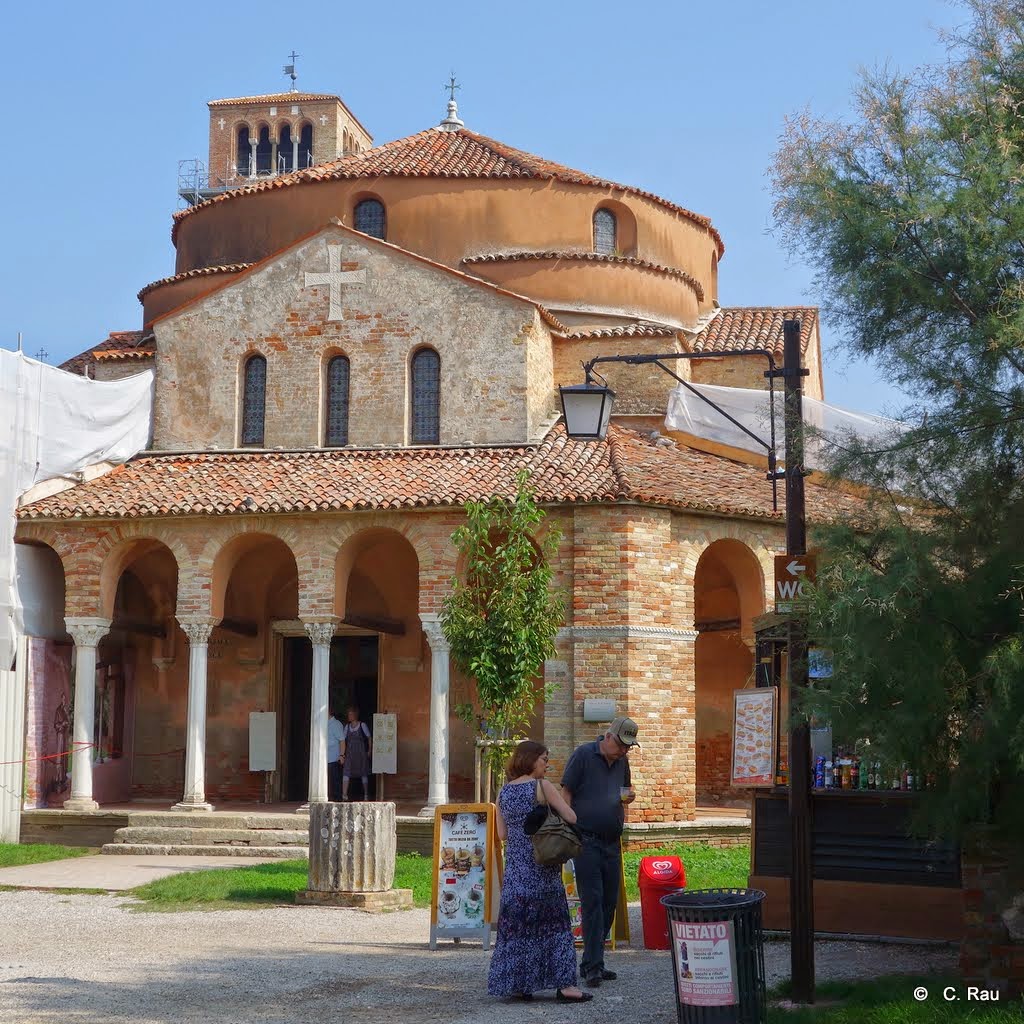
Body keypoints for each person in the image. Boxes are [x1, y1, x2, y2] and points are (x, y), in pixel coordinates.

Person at [487, 740, 592, 1003]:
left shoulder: (503, 793)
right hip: (542, 868)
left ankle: (520, 985)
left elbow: (502, 834)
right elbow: (571, 817)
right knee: (553, 926)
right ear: (531, 760)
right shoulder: (541, 787)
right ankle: (565, 986)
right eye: (544, 759)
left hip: (516, 872)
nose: (547, 764)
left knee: (518, 928)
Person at [561, 717, 639, 988]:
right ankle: (594, 966)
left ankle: (591, 961)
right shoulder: (583, 755)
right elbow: (566, 793)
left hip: (611, 842)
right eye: (621, 745)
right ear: (608, 737)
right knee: (592, 902)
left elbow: (625, 790)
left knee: (608, 903)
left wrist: (628, 798)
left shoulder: (622, 761)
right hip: (587, 840)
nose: (624, 751)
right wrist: (569, 830)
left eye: (629, 747)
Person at [341, 705, 372, 801]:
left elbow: (369, 737)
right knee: (346, 772)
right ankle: (344, 795)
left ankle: (366, 794)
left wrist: (369, 750)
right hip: (350, 753)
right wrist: (343, 753)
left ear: (355, 715)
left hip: (360, 753)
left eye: (350, 714)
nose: (349, 716)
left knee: (363, 772)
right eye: (348, 714)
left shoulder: (362, 725)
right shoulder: (347, 727)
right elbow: (343, 739)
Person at [327, 707, 344, 802]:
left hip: (333, 757)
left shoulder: (336, 724)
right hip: (324, 758)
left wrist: (342, 755)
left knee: (335, 780)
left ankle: (338, 800)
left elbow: (342, 740)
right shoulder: (323, 724)